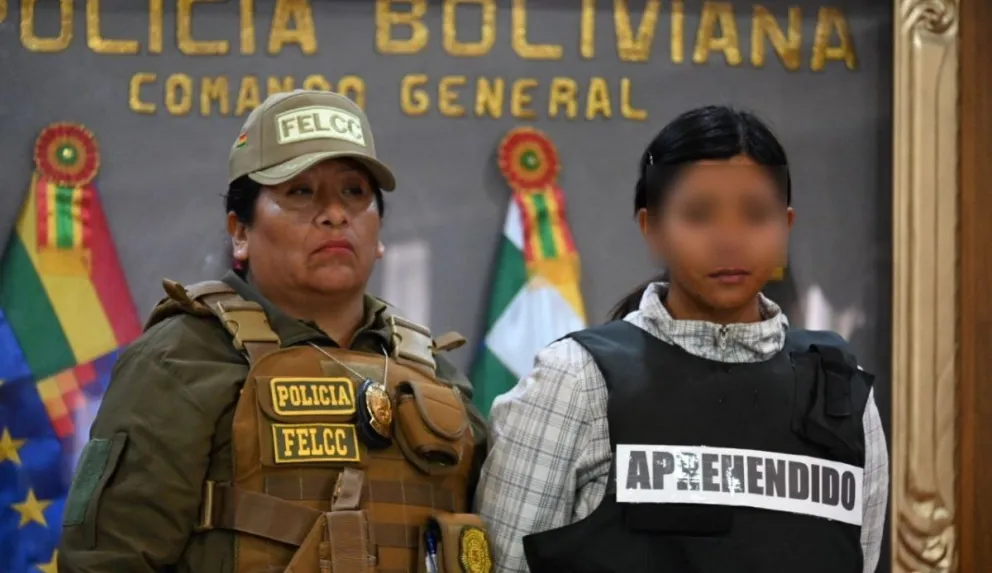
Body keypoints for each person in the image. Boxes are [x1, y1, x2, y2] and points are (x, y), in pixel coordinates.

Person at [59, 90, 492, 573]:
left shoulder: (431, 373)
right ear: (239, 231)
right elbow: (108, 561)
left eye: (355, 192)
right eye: (300, 192)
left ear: (380, 232)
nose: (335, 214)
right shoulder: (180, 360)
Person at [476, 106, 889, 573]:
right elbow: (501, 562)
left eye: (755, 215)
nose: (729, 239)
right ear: (652, 227)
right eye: (699, 215)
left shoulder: (843, 394)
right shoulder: (576, 380)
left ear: (785, 228)